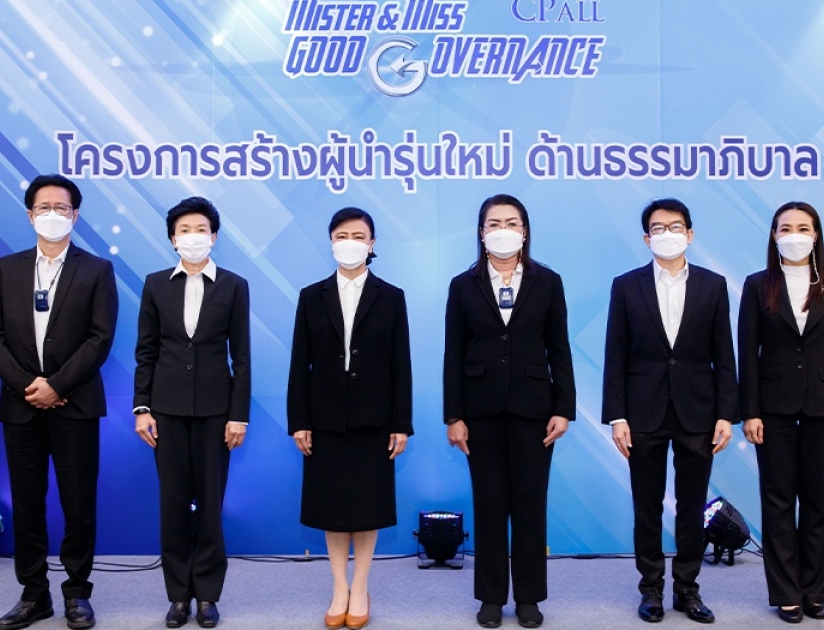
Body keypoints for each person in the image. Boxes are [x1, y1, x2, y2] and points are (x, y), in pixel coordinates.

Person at [0, 174, 119, 630]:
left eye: (61, 207)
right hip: (21, 405)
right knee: (27, 503)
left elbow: (100, 338)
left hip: (74, 405)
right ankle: (33, 594)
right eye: (44, 207)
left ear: (74, 215)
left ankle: (77, 593)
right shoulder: (7, 268)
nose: (53, 214)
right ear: (30, 215)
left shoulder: (96, 269)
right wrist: (29, 386)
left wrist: (58, 385)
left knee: (78, 505)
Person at [603, 198, 736, 625]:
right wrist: (617, 416)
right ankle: (651, 588)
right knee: (647, 507)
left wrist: (725, 414)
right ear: (647, 239)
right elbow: (615, 354)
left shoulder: (713, 285)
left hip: (698, 411)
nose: (667, 234)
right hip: (642, 412)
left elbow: (724, 354)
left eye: (675, 226)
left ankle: (687, 588)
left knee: (692, 506)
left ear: (690, 234)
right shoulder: (626, 286)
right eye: (658, 228)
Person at [444, 193, 575, 629]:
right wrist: (454, 416)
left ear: (525, 231)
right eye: (494, 223)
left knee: (530, 505)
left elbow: (559, 348)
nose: (504, 230)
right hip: (479, 411)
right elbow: (453, 354)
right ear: (481, 232)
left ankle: (529, 598)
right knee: (489, 504)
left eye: (512, 222)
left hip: (534, 409)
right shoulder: (462, 285)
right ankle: (490, 597)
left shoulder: (548, 281)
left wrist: (564, 408)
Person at [287, 207, 412, 630]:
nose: (350, 242)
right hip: (324, 418)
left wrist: (401, 422)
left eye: (359, 235)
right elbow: (299, 364)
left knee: (366, 508)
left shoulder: (391, 296)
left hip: (374, 418)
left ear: (372, 243)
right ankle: (339, 587)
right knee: (333, 509)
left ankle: (360, 587)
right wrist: (299, 420)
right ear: (331, 242)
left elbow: (401, 365)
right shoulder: (311, 296)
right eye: (342, 235)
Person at [738, 201, 824, 623]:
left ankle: (814, 590)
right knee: (776, 502)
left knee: (815, 503)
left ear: (816, 235)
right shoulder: (757, 285)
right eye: (785, 228)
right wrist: (750, 411)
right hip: (772, 409)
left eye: (803, 227)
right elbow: (747, 352)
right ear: (774, 236)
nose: (794, 235)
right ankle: (786, 592)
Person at [133, 197, 251, 629]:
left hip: (217, 413)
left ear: (214, 236)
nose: (193, 236)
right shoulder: (155, 284)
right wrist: (142, 408)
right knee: (174, 505)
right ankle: (178, 596)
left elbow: (242, 356)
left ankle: (208, 595)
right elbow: (146, 351)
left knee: (210, 506)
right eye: (184, 229)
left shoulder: (234, 285)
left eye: (201, 229)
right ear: (172, 239)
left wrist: (238, 415)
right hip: (165, 412)